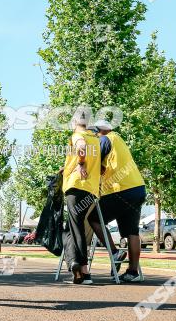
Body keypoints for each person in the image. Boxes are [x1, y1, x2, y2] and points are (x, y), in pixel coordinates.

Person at [94, 120, 147, 282]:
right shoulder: (119, 141)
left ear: (100, 131)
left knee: (94, 218)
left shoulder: (105, 140)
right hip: (137, 188)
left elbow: (91, 164)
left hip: (120, 189)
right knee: (132, 231)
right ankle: (132, 272)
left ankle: (115, 252)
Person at [61, 110, 104, 285]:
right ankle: (77, 267)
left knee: (73, 229)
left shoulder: (78, 135)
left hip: (76, 186)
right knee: (74, 228)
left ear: (74, 122)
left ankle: (81, 269)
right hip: (91, 189)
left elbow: (80, 148)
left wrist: (80, 163)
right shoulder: (96, 139)